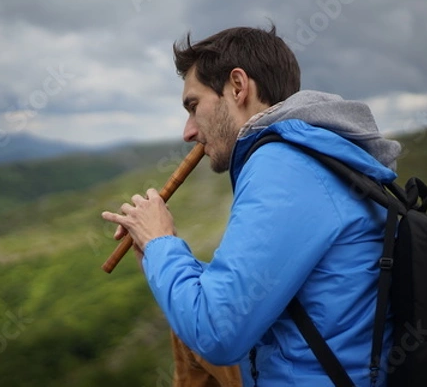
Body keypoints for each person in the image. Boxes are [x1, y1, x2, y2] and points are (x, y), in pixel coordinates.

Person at [102, 25, 401, 386]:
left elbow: (217, 332)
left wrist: (160, 243)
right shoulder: (314, 154)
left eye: (194, 106)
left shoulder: (285, 165)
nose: (188, 131)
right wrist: (153, 250)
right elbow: (240, 301)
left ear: (238, 87)